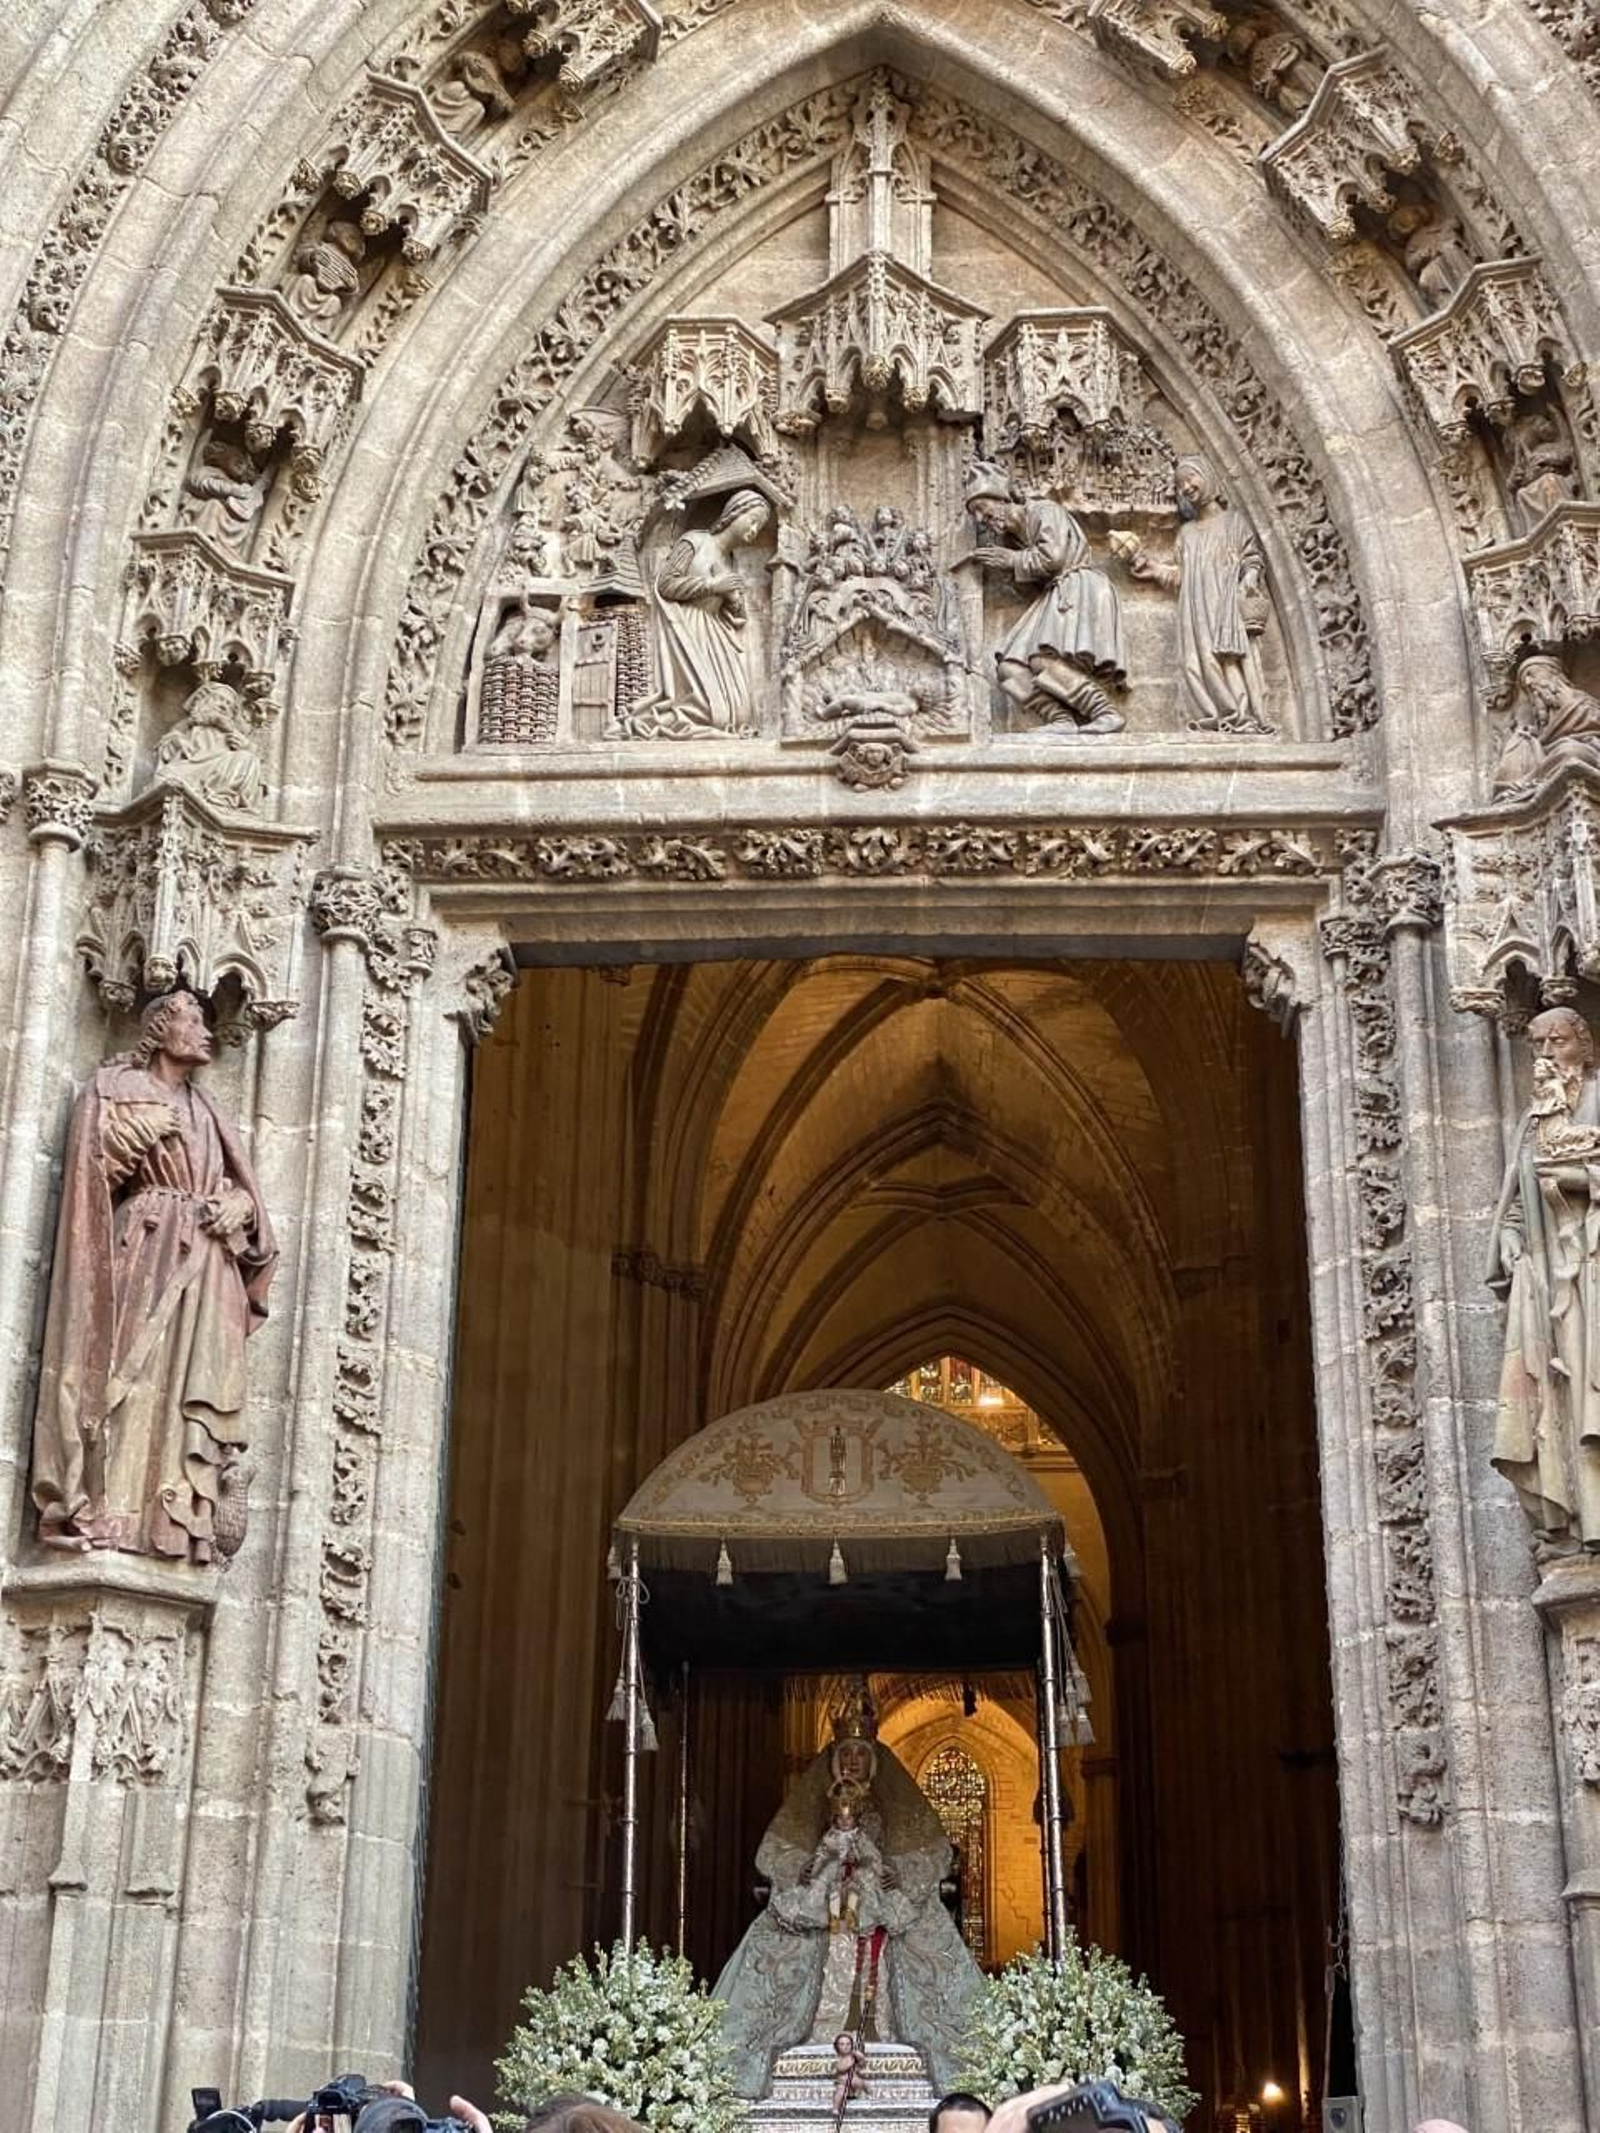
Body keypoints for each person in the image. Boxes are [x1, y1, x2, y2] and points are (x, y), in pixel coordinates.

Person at [31, 990, 277, 1561]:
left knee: (193, 1382)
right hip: (144, 1247)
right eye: (193, 1020)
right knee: (129, 1374)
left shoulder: (209, 1110)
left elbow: (243, 1189)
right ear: (159, 1029)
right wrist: (139, 1132)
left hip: (209, 1259)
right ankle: (109, 1504)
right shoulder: (114, 1087)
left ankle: (179, 1518)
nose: (205, 1032)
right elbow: (91, 1175)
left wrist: (240, 1207)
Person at [715, 1683, 983, 2097]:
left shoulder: (895, 1804)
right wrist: (806, 1867)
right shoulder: (816, 1802)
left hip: (874, 1899)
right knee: (779, 1948)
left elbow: (928, 1848)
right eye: (847, 1754)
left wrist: (896, 1872)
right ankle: (822, 2025)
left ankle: (878, 2024)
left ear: (873, 1762)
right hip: (826, 1899)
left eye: (861, 1754)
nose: (854, 1761)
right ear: (835, 1760)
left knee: (918, 1943)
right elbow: (781, 1848)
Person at [1487, 1005, 1600, 1549]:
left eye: (1558, 1041)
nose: (1549, 1055)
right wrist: (1511, 1243)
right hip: (1548, 1280)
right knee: (1556, 1400)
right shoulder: (1532, 1124)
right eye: (1538, 1045)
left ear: (1585, 1044)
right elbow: (1516, 1201)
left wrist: (1579, 1179)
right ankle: (1573, 1519)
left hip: (1592, 1270)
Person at [964, 461, 1125, 736]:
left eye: (982, 508)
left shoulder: (1043, 511)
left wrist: (1012, 560)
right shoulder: (1017, 536)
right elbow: (1033, 581)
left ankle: (1105, 712)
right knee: (1009, 668)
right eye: (974, 514)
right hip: (1055, 593)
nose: (980, 519)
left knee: (1041, 659)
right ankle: (1061, 719)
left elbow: (1054, 558)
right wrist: (1007, 565)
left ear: (1002, 499)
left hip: (1078, 587)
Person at [1121, 456, 1271, 734]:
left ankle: (1240, 716)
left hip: (1224, 603)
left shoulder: (1233, 522)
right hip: (1194, 611)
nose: (1187, 487)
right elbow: (1182, 576)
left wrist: (1250, 577)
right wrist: (1153, 569)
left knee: (1228, 657)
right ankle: (1212, 715)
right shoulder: (1186, 533)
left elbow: (1252, 558)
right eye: (1181, 485)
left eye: (1192, 478)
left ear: (1208, 476)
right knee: (1194, 662)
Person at [640, 489, 772, 733]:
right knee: (710, 711)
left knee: (741, 713)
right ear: (735, 512)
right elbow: (666, 584)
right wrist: (711, 586)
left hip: (715, 634)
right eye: (752, 521)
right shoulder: (695, 541)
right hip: (688, 627)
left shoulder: (730, 561)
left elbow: (731, 616)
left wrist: (733, 602)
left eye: (760, 527)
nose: (754, 531)